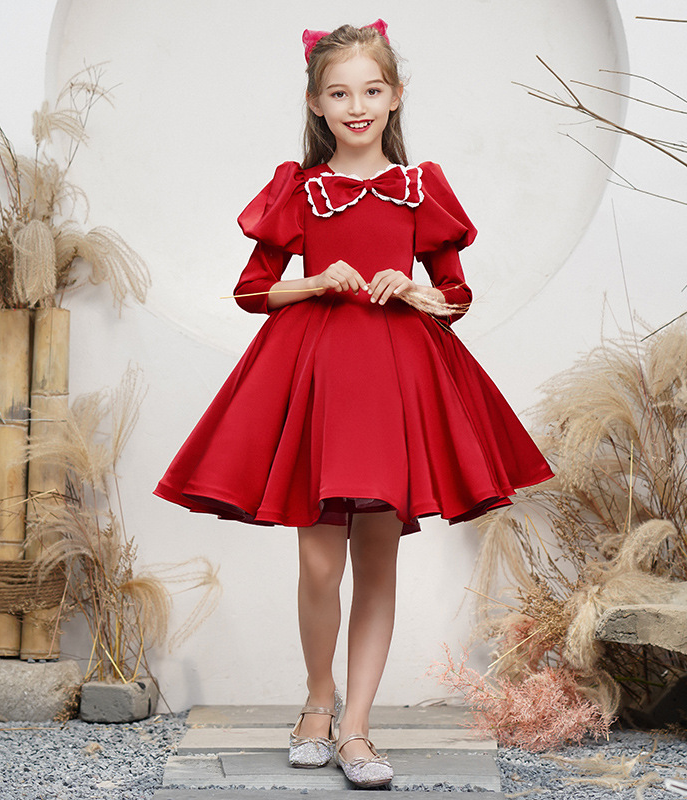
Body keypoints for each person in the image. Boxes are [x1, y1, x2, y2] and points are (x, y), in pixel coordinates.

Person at [154, 19, 554, 788]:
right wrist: (313, 280)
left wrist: (414, 287)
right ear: (316, 104)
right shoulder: (299, 189)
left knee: (377, 557)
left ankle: (359, 728)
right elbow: (251, 291)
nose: (357, 106)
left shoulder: (420, 188)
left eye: (372, 90)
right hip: (320, 377)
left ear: (396, 96)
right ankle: (317, 704)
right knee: (317, 560)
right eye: (340, 94)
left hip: (396, 378)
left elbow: (456, 295)